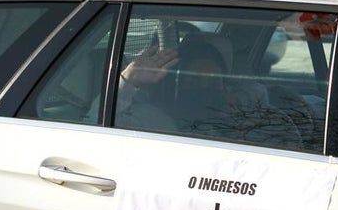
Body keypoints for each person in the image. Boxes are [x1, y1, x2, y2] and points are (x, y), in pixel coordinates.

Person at [116, 32, 270, 138]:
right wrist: (128, 79)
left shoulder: (238, 114)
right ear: (173, 83)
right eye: (193, 81)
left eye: (213, 82)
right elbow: (98, 125)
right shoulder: (150, 120)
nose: (204, 90)